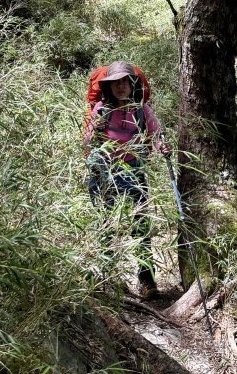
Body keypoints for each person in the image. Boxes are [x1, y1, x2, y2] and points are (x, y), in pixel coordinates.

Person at [83, 60, 171, 300]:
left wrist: (162, 146)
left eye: (125, 82)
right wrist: (95, 128)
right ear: (108, 87)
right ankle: (108, 278)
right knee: (106, 225)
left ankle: (146, 281)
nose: (121, 86)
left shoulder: (142, 110)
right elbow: (86, 143)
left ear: (133, 85)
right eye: (116, 83)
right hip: (104, 174)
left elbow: (155, 135)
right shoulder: (101, 109)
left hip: (133, 172)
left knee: (140, 224)